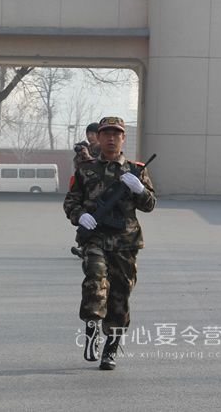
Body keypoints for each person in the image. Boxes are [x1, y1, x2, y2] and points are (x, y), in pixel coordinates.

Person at [63, 116, 156, 370]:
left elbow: (149, 205)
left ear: (123, 138)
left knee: (120, 296)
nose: (111, 138)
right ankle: (92, 326)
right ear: (99, 138)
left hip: (125, 242)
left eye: (117, 134)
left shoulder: (136, 170)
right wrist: (80, 215)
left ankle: (111, 348)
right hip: (95, 238)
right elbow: (71, 201)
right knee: (95, 276)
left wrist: (139, 189)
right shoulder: (86, 169)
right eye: (106, 134)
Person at [70, 122, 102, 259]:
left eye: (93, 134)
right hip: (85, 188)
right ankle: (83, 246)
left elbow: (101, 166)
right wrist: (80, 155)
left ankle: (90, 248)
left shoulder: (103, 149)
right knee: (84, 216)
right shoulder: (85, 148)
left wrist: (89, 157)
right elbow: (77, 166)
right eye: (88, 133)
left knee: (97, 218)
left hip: (99, 189)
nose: (90, 136)